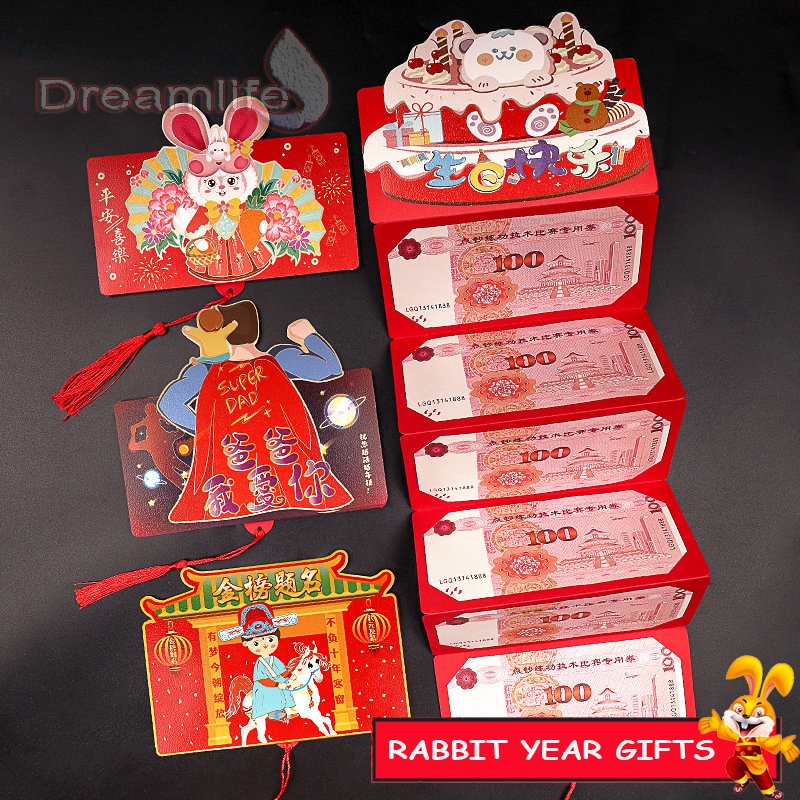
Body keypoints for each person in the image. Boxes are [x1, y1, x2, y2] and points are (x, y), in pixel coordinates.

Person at [157, 301, 341, 435]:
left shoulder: (206, 370)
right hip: (279, 447)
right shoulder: (278, 359)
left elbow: (170, 404)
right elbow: (330, 367)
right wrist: (308, 335)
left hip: (238, 453)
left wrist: (213, 433)